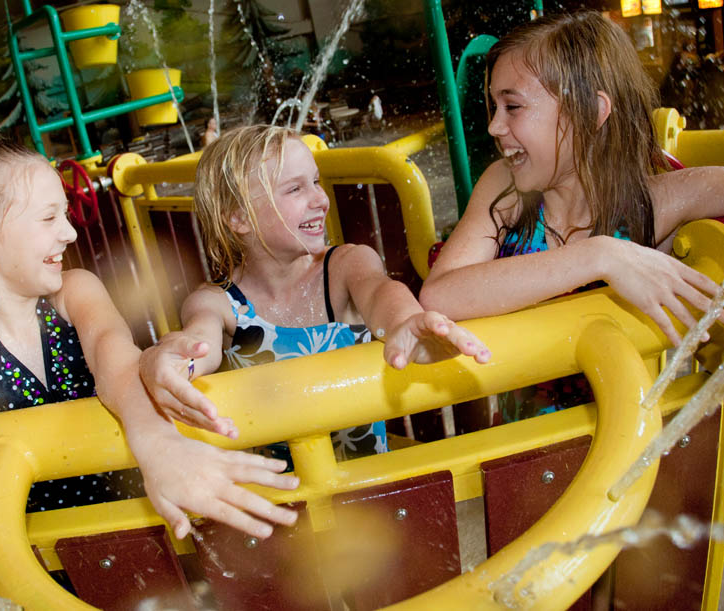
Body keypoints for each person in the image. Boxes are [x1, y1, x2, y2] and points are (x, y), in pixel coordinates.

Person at [0, 126, 298, 543]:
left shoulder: (76, 292)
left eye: (64, 214)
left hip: (149, 522)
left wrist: (160, 447)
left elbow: (116, 361)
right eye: (48, 218)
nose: (71, 233)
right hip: (47, 560)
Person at [419, 11, 724, 421]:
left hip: (627, 448)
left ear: (591, 110)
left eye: (512, 106)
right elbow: (440, 294)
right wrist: (598, 256)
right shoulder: (507, 191)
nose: (495, 126)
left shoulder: (655, 202)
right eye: (493, 106)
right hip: (522, 447)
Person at [139, 125, 490, 462]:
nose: (320, 199)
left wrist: (405, 321)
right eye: (295, 189)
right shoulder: (217, 303)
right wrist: (173, 360)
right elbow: (199, 343)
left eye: (316, 182)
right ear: (239, 218)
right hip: (286, 499)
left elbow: (380, 292)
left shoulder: (345, 267)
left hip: (370, 490)